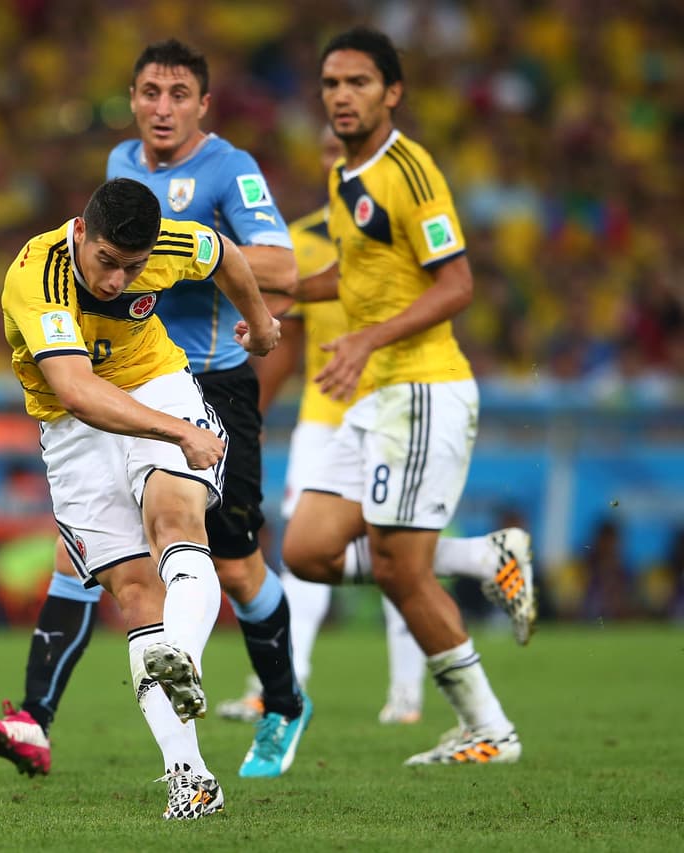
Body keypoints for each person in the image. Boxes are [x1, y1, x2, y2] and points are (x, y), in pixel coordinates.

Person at [0, 38, 310, 782]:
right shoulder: (110, 188)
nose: (163, 108)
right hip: (109, 392)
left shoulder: (228, 171)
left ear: (202, 103)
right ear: (131, 98)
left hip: (200, 378)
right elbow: (76, 380)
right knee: (111, 568)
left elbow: (247, 255)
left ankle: (281, 700)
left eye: (178, 94)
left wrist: (259, 321)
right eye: (150, 92)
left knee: (229, 555)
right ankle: (69, 722)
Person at [0, 176, 281, 819]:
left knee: (175, 520)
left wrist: (259, 325)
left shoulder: (168, 244)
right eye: (108, 264)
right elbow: (78, 390)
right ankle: (192, 777)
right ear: (81, 231)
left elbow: (224, 253)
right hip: (71, 422)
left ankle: (184, 657)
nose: (118, 282)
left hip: (158, 384)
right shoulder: (36, 276)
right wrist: (181, 433)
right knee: (136, 592)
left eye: (133, 267)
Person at [274, 28, 534, 765]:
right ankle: (486, 557)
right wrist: (280, 298)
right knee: (308, 546)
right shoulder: (346, 174)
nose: (341, 97)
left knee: (398, 569)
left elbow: (457, 284)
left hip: (421, 389)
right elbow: (354, 277)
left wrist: (364, 339)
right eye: (330, 84)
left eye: (357, 82)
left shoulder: (409, 173)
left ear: (392, 92)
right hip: (375, 397)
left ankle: (489, 727)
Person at [218, 128, 536, 728]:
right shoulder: (309, 234)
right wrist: (255, 400)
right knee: (313, 552)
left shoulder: (399, 198)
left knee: (397, 556)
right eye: (327, 149)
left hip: (400, 394)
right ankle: (285, 682)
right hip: (330, 412)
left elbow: (446, 285)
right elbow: (306, 323)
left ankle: (411, 701)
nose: (336, 158)